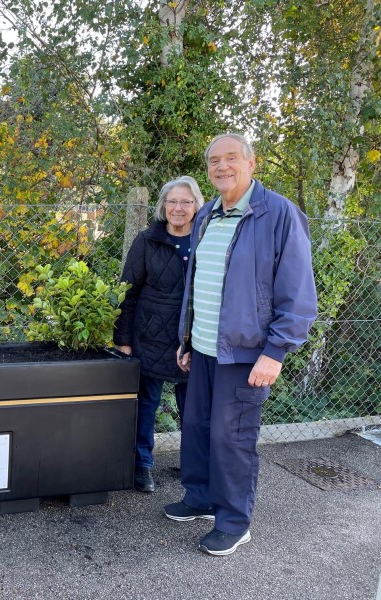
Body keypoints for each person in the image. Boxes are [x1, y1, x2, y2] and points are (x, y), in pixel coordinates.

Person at [164, 133, 317, 556]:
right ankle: (199, 498)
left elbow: (299, 293)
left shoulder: (279, 214)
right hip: (206, 347)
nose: (221, 167)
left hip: (246, 353)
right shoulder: (208, 214)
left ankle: (234, 521)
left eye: (231, 158)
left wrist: (275, 352)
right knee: (197, 430)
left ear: (252, 163)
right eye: (214, 160)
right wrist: (188, 337)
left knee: (232, 439)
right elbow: (199, 284)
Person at [115, 176, 204, 493]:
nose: (178, 208)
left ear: (197, 206)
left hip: (193, 341)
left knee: (194, 412)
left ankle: (195, 471)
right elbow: (127, 293)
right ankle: (142, 466)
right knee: (146, 405)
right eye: (172, 201)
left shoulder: (207, 240)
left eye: (186, 201)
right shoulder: (146, 240)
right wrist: (123, 342)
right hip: (149, 337)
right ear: (163, 206)